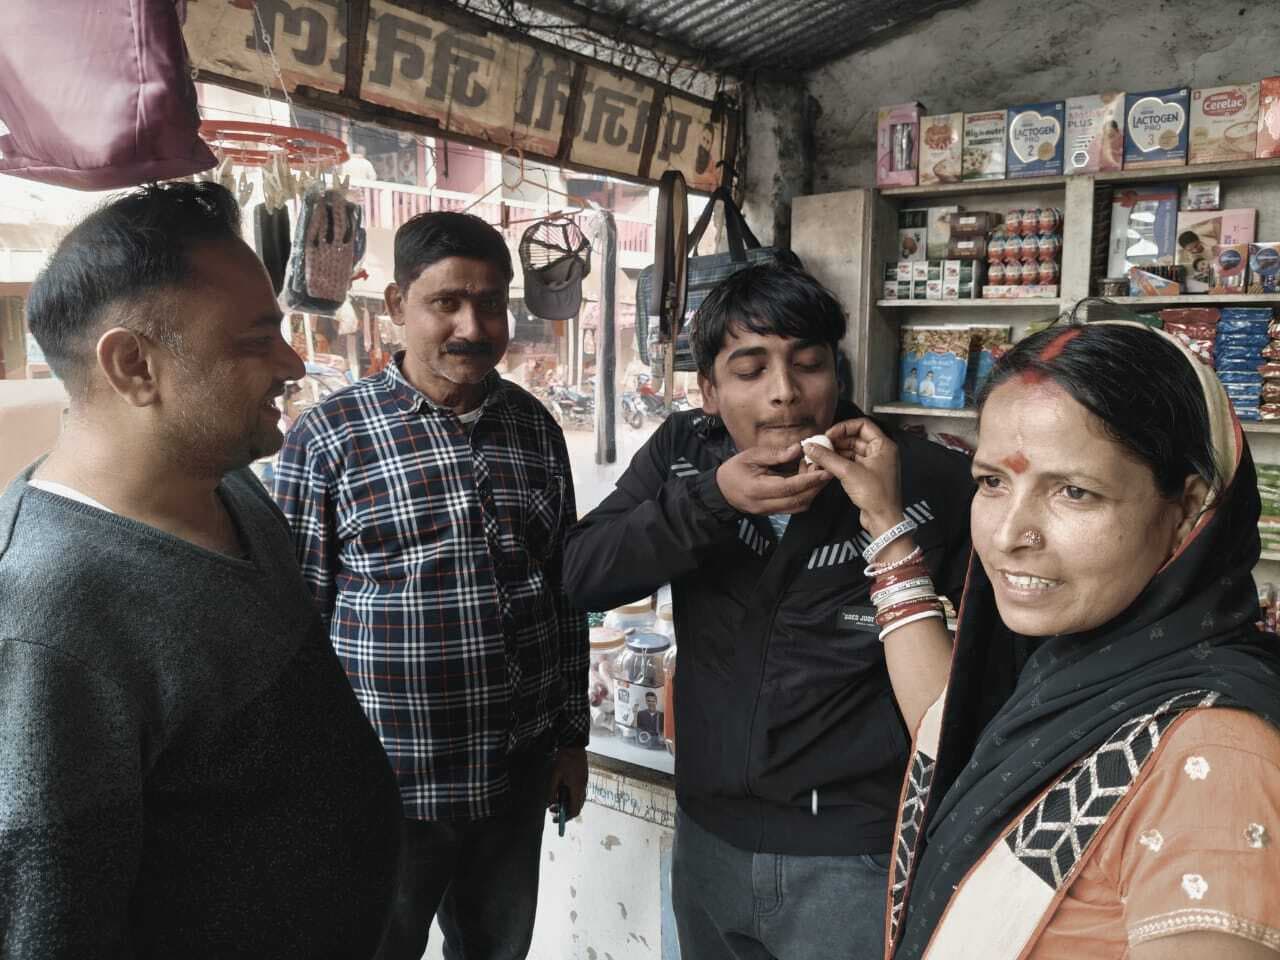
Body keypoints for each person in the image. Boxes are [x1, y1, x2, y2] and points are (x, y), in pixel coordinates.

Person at [0, 182, 400, 958]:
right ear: (133, 366)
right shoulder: (50, 621)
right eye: (255, 341)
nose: (291, 362)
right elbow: (50, 927)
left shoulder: (235, 487)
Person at [801, 322, 1280, 960]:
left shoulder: (1217, 755)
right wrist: (885, 520)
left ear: (1189, 507)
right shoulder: (1080, 664)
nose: (1008, 534)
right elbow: (950, 729)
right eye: (993, 481)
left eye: (1074, 492)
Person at [562, 262, 974, 960]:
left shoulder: (926, 478)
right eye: (750, 370)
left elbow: (986, 670)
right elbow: (581, 575)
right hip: (707, 839)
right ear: (710, 392)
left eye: (808, 364)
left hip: (854, 858)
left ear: (836, 377)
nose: (786, 393)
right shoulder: (685, 455)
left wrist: (885, 514)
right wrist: (709, 502)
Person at [273, 210, 588, 960]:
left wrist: (569, 739)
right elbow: (293, 625)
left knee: (495, 951)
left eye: (491, 303)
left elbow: (565, 591)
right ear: (395, 306)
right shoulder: (329, 439)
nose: (474, 326)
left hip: (514, 777)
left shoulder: (535, 428)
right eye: (446, 301)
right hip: (387, 790)